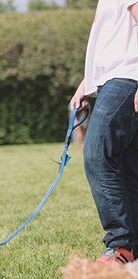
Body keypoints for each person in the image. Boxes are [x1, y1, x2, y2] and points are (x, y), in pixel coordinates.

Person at [70, 0, 138, 264]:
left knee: (97, 155)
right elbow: (113, 42)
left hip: (127, 78)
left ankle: (120, 244)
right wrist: (87, 82)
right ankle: (132, 248)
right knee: (127, 164)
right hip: (113, 78)